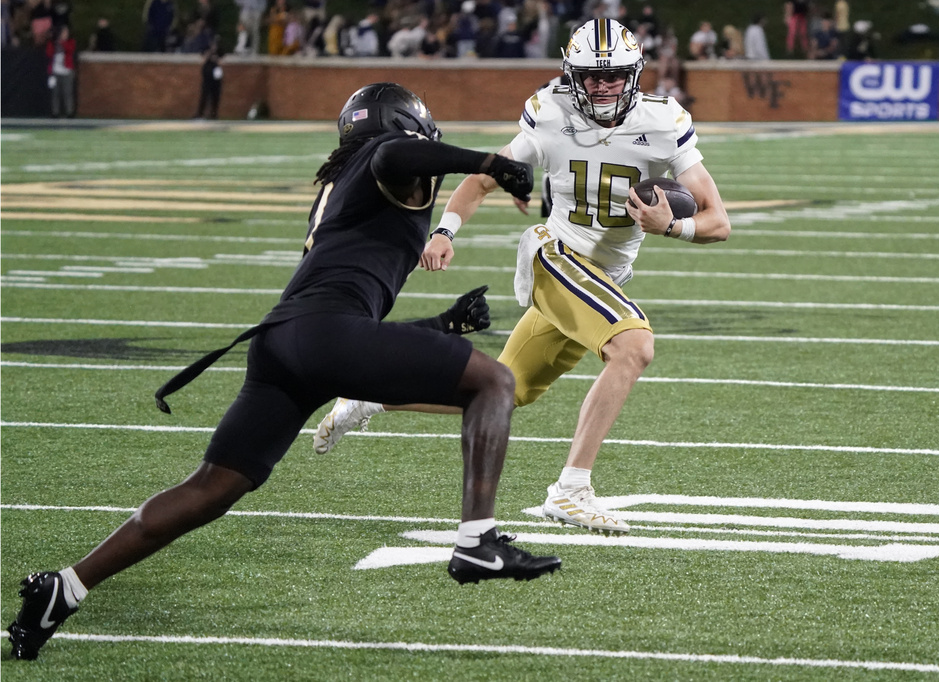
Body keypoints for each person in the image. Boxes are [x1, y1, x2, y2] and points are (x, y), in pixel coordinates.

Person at [6, 82, 560, 663]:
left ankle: (65, 586)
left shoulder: (344, 183)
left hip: (284, 342)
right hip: (323, 334)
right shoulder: (389, 161)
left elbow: (347, 318)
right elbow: (395, 157)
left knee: (212, 487)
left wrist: (440, 327)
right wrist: (489, 162)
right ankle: (477, 544)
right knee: (496, 382)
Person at [313, 19, 731, 535]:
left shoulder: (665, 121)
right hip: (553, 255)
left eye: (614, 76)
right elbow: (485, 176)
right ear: (571, 75)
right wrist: (445, 231)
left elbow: (719, 221)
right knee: (633, 345)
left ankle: (369, 394)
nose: (602, 87)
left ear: (635, 74)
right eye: (591, 77)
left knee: (502, 389)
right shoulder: (551, 113)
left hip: (603, 276)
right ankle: (572, 489)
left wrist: (674, 226)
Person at [45, 23, 75, 118]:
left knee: (67, 93)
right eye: (64, 32)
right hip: (55, 71)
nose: (65, 34)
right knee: (55, 93)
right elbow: (49, 53)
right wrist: (54, 41)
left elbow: (70, 49)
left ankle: (69, 112)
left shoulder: (71, 42)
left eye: (67, 32)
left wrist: (62, 42)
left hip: (67, 71)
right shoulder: (52, 43)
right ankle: (55, 112)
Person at [193, 43, 223, 119]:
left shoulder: (218, 54)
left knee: (215, 97)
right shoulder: (206, 53)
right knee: (204, 96)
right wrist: (208, 55)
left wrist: (216, 59)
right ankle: (200, 114)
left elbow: (221, 62)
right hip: (207, 79)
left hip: (216, 79)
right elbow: (203, 61)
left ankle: (214, 114)